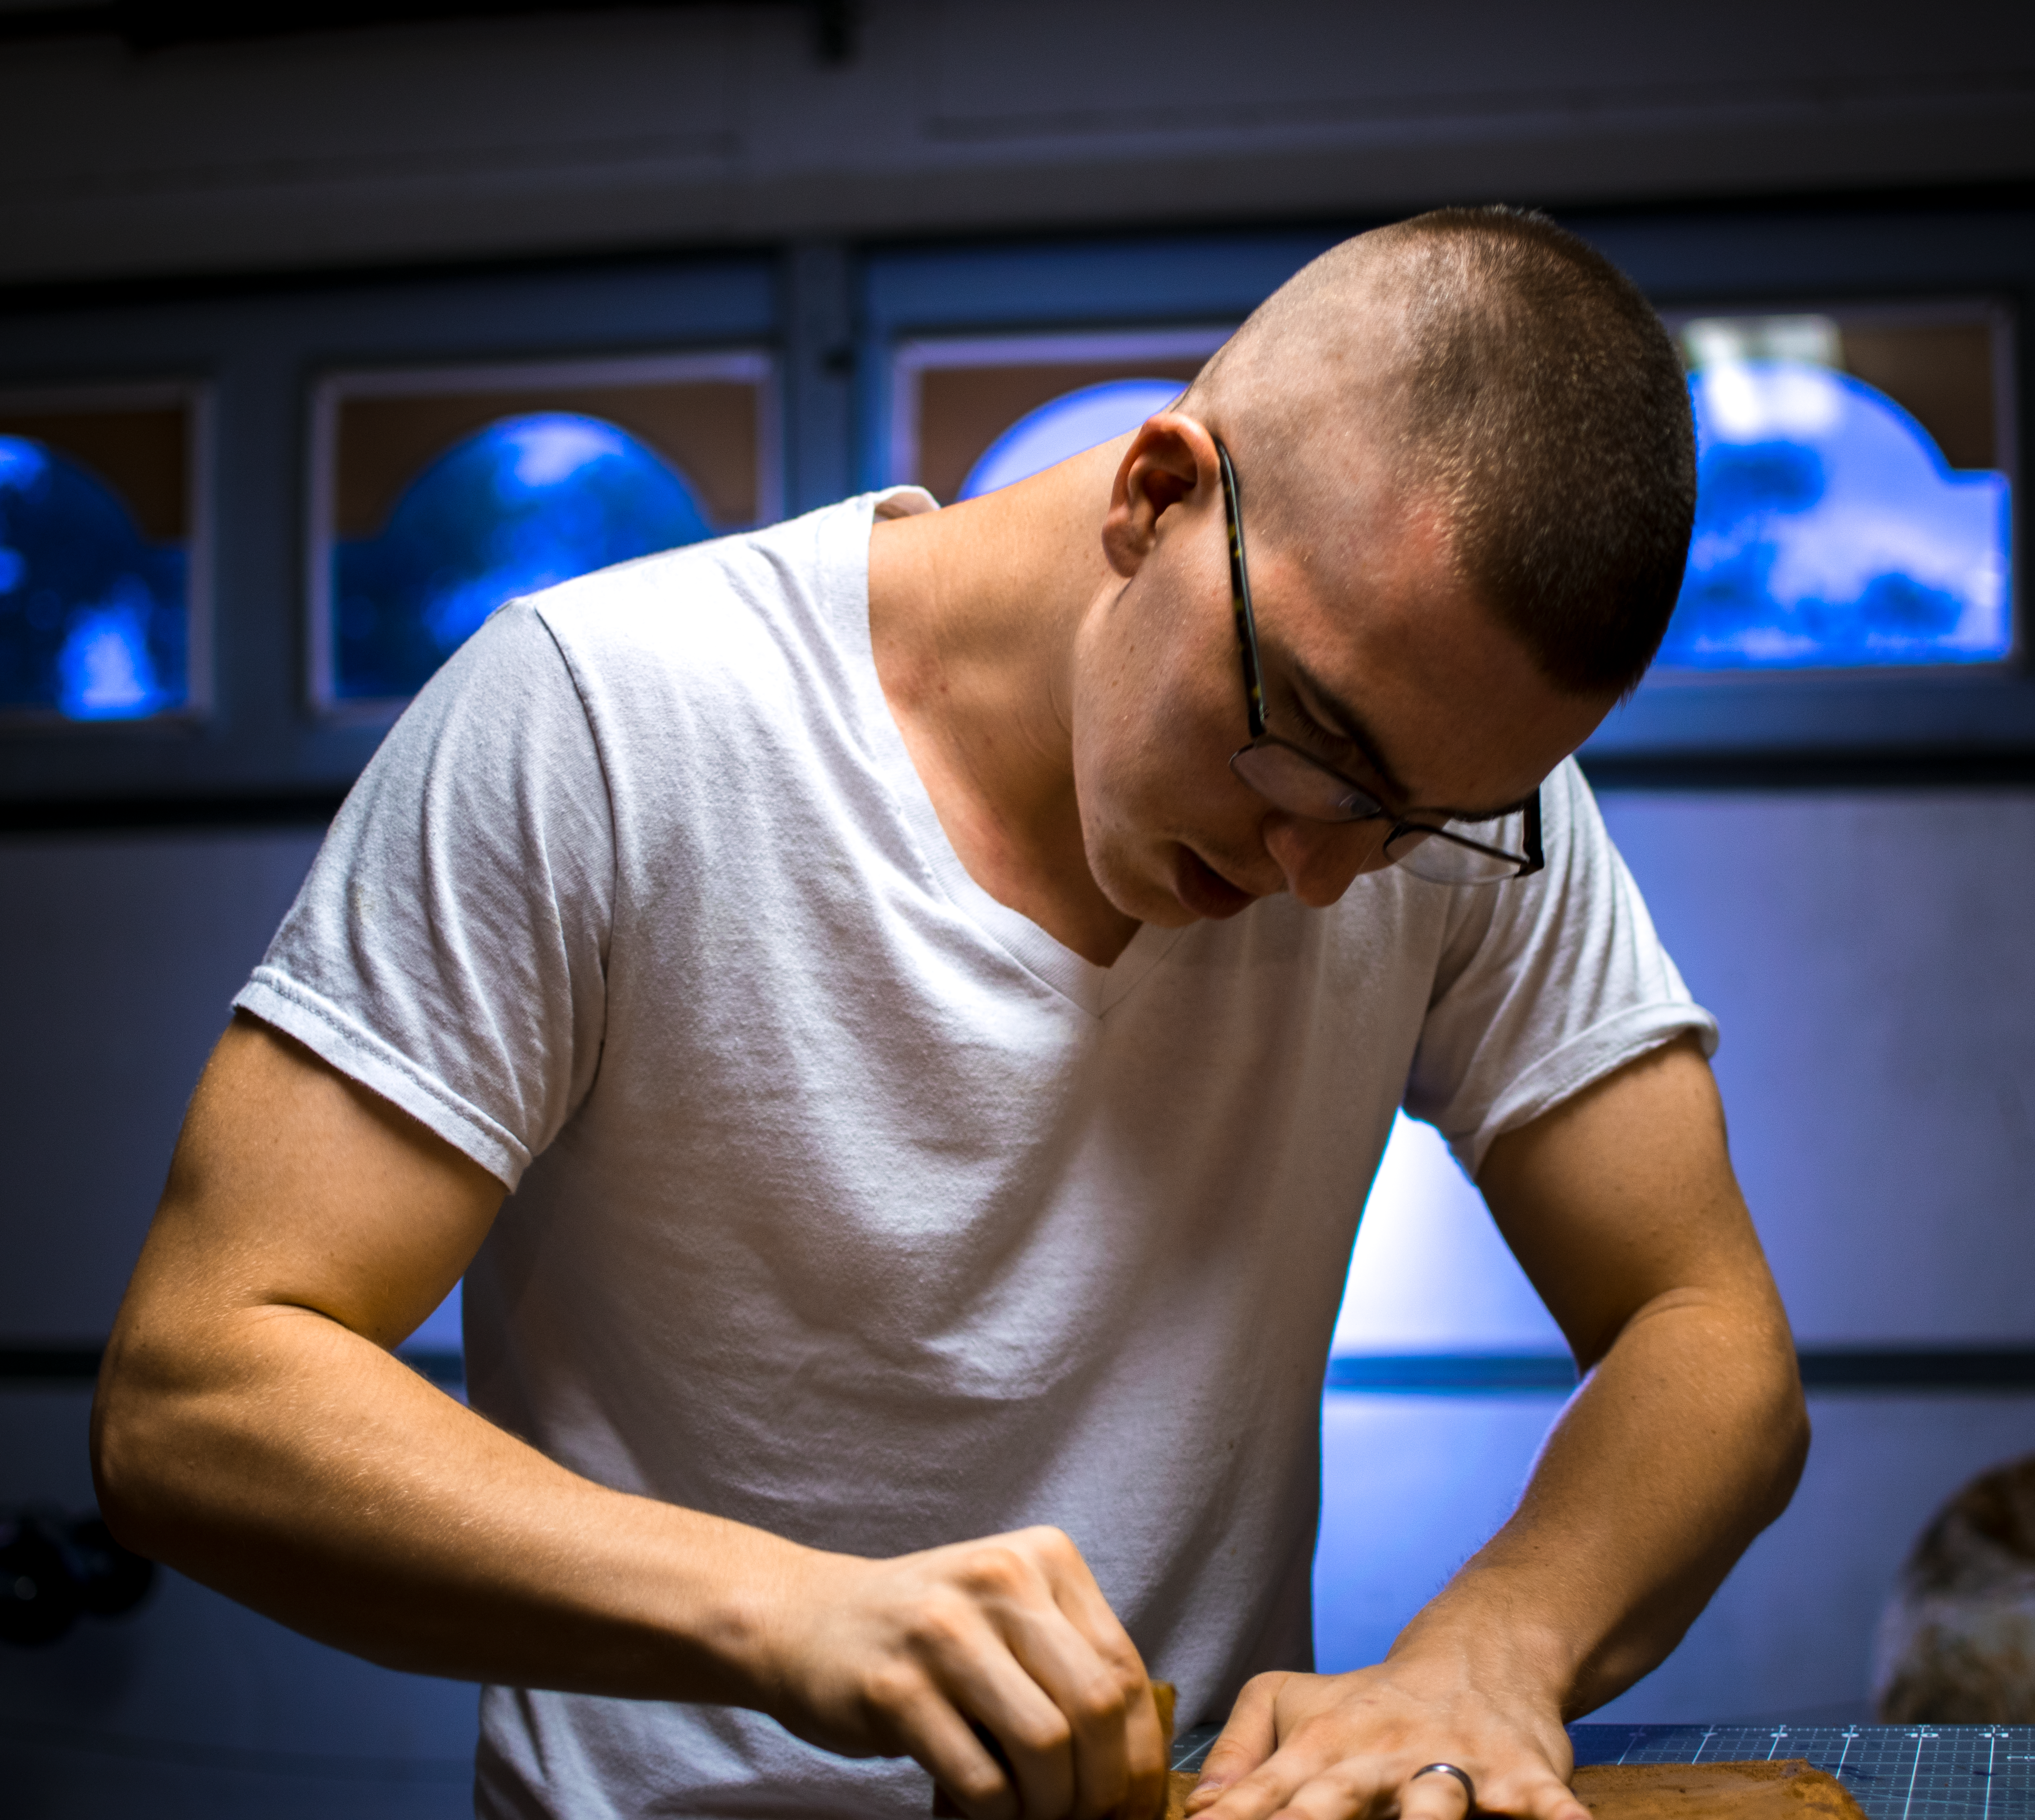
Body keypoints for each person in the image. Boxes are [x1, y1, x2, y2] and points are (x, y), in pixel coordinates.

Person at [94, 205, 1807, 1820]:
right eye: (1317, 750)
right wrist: (780, 1613)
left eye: (1415, 819)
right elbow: (199, 1390)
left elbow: (1706, 1332)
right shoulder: (604, 725)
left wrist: (1486, 1655)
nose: (1323, 870)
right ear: (1153, 496)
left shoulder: (1434, 802)